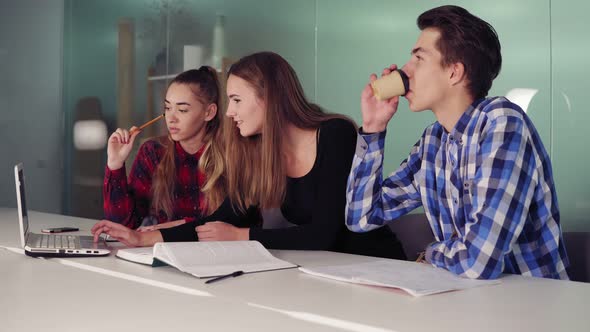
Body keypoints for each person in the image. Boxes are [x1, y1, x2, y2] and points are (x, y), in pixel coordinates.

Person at [93, 52, 406, 260]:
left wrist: (241, 236)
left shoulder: (335, 133)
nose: (229, 112)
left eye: (236, 100)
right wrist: (141, 239)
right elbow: (222, 219)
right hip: (327, 271)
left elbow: (323, 234)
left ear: (268, 98)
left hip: (378, 266)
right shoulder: (259, 148)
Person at [346, 5, 569, 279]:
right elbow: (360, 217)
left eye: (418, 58)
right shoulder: (434, 141)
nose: (405, 70)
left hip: (535, 309)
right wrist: (373, 128)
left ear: (454, 72)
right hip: (469, 301)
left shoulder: (502, 123)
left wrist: (429, 254)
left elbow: (479, 260)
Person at [102, 67, 228, 231]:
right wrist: (115, 165)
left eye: (182, 110)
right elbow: (122, 226)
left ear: (209, 112)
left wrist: (173, 227)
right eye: (167, 108)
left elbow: (239, 224)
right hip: (164, 253)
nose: (171, 118)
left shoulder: (231, 154)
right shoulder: (153, 153)